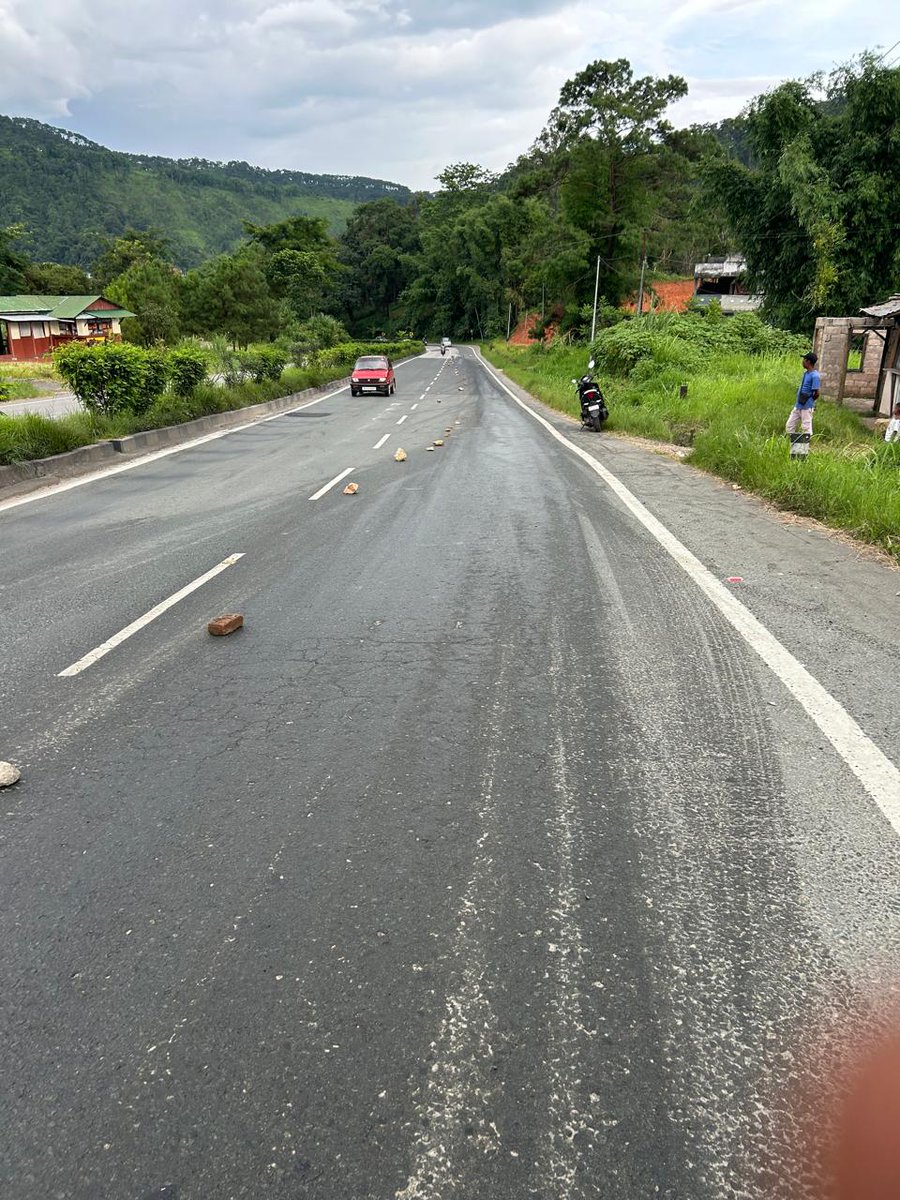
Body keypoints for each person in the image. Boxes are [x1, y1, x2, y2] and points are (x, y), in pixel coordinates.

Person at [786, 352, 820, 438]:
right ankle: (790, 442)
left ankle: (805, 446)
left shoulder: (815, 376)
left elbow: (817, 393)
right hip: (799, 404)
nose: (802, 362)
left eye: (804, 360)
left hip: (807, 406)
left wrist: (809, 401)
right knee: (790, 424)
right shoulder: (806, 373)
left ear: (808, 361)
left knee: (806, 427)